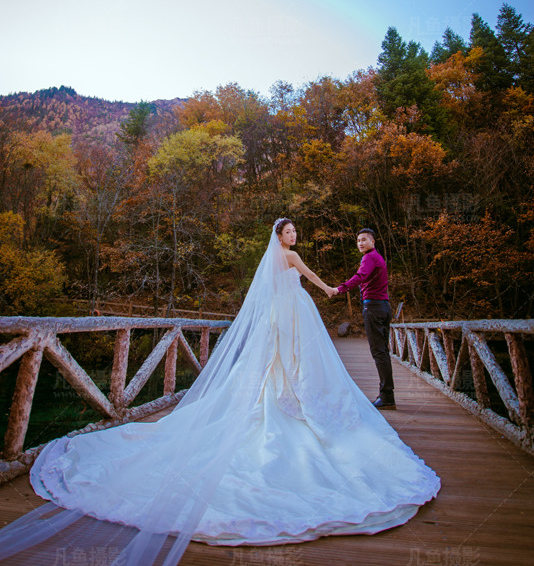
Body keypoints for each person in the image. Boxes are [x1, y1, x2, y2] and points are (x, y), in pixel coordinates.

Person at [0, 218, 439, 566]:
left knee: (284, 363)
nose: (293, 235)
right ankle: (295, 401)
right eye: (288, 231)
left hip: (281, 315)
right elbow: (309, 278)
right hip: (293, 313)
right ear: (280, 236)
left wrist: (326, 290)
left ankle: (287, 396)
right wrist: (330, 289)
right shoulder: (291, 258)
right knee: (295, 362)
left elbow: (277, 292)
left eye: (293, 231)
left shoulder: (271, 261)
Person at [332, 228, 395, 409]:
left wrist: (340, 289)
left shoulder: (369, 258)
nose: (360, 243)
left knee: (379, 352)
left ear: (373, 241)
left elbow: (361, 276)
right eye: (358, 240)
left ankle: (387, 396)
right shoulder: (377, 257)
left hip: (374, 308)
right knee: (382, 351)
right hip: (382, 306)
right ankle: (388, 394)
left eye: (364, 240)